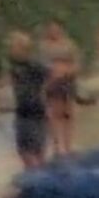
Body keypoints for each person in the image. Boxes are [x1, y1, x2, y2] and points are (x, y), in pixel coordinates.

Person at [8, 30, 50, 168]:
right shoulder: (14, 65)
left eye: (13, 47)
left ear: (22, 48)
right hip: (22, 110)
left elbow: (51, 74)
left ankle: (39, 176)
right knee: (23, 149)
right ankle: (33, 174)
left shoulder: (34, 64)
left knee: (36, 150)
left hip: (35, 109)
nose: (11, 50)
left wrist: (44, 91)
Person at [38, 20, 80, 156]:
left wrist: (68, 70)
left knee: (68, 113)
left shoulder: (70, 44)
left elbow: (77, 63)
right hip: (51, 81)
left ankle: (68, 145)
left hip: (68, 80)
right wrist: (53, 70)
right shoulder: (43, 46)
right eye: (51, 28)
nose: (54, 31)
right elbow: (40, 65)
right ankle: (56, 146)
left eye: (56, 28)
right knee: (54, 114)